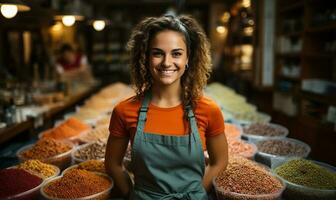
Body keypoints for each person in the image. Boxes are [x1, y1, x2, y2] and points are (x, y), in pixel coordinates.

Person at [105, 14, 228, 200]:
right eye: (157, 53)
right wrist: (131, 194)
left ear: (188, 58)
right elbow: (113, 164)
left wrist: (198, 192)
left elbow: (220, 161)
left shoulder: (208, 110)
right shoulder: (124, 111)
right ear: (145, 58)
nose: (166, 62)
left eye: (176, 53)